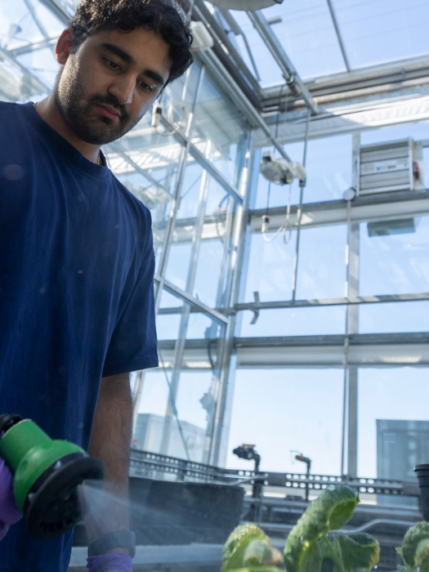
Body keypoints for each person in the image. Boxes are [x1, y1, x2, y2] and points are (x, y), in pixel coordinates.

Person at [0, 0, 193, 570]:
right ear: (65, 49)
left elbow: (112, 390)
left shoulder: (133, 225)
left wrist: (111, 545)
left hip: (42, 534)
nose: (125, 91)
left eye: (147, 83)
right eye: (114, 62)